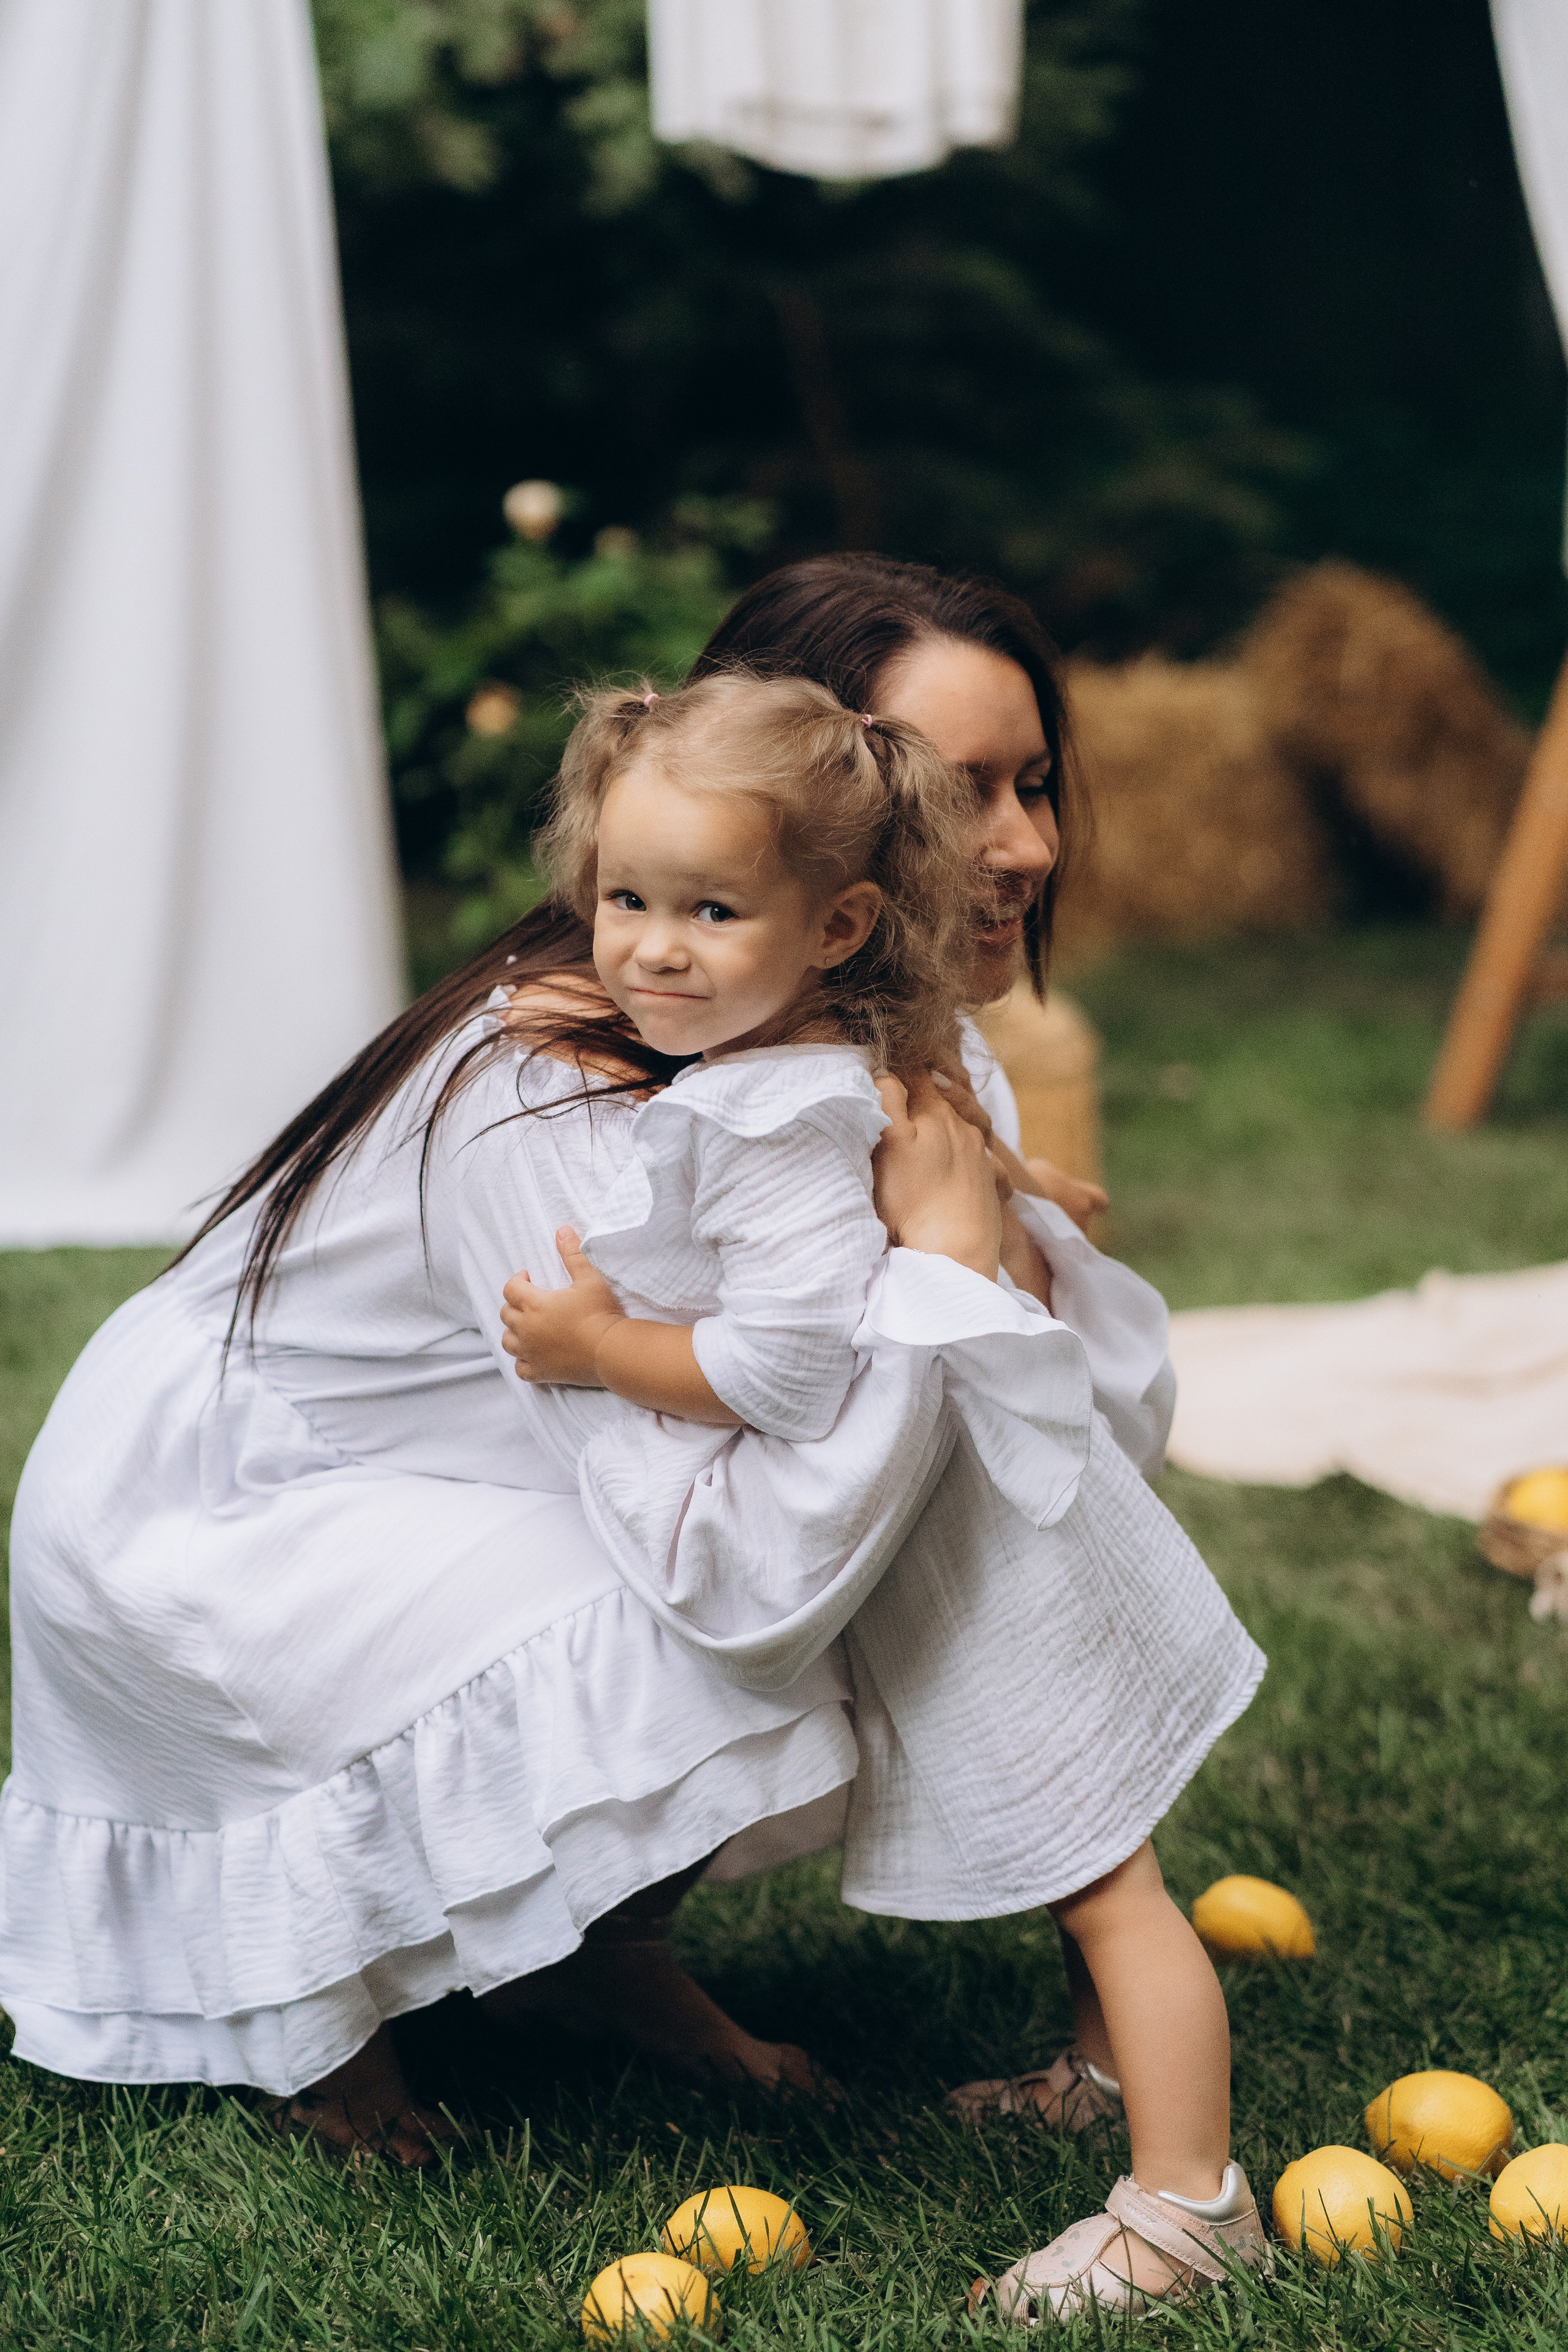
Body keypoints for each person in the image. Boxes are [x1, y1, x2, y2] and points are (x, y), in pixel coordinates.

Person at [490, 659, 1267, 2321]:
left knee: (1115, 1891)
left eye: (707, 910)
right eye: (622, 901)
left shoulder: (773, 1119)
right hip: (992, 1527)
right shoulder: (829, 1048)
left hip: (983, 1564)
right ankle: (1143, 2127)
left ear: (835, 927)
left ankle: (1191, 2205)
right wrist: (591, 1004)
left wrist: (596, 1346)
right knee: (1111, 1880)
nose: (647, 948)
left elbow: (782, 1374)